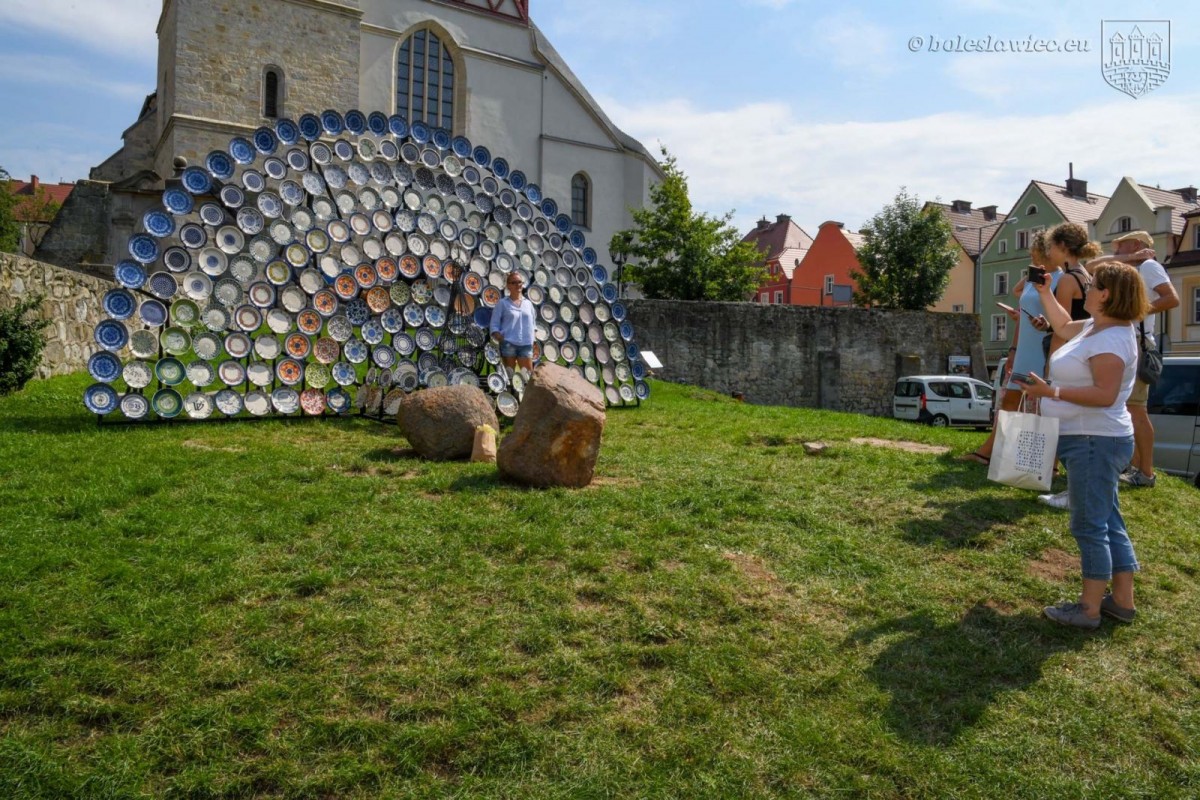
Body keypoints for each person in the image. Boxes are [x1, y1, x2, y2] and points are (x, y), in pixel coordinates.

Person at [1020, 262, 1148, 629]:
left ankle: (1089, 610)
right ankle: (1121, 601)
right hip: (1096, 439)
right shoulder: (1098, 327)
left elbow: (1105, 395)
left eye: (1093, 285)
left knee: (1089, 526)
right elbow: (1061, 326)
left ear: (1106, 295)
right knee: (1108, 520)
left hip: (1095, 440)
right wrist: (1045, 291)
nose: (1086, 289)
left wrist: (1051, 391)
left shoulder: (1110, 339)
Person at [960, 231, 1063, 465]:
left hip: (1044, 348)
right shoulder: (1032, 277)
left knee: (1042, 407)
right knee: (1009, 401)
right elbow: (1023, 310)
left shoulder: (1062, 279)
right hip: (1025, 346)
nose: (1031, 257)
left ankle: (1048, 462)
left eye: (1034, 252)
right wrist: (1013, 350)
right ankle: (992, 452)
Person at [1030, 223, 1101, 509]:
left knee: (1065, 423)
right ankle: (1073, 488)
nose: (1048, 252)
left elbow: (1063, 329)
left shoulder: (1068, 279)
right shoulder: (1087, 276)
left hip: (1070, 357)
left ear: (1061, 247)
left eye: (1050, 247)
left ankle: (1071, 490)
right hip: (1087, 356)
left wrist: (1051, 368)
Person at [1107, 232, 1178, 487]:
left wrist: (1135, 311)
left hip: (1139, 345)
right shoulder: (1136, 269)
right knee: (1130, 408)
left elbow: (1172, 298)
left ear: (1137, 245)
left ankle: (1146, 472)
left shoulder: (1148, 266)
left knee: (1136, 408)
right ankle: (1137, 467)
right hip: (1133, 343)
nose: (1117, 253)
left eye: (1121, 247)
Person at [489, 272, 536, 373]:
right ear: (508, 285)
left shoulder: (528, 304)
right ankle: (510, 389)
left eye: (520, 282)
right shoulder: (502, 303)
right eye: (514, 282)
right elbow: (494, 323)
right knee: (510, 375)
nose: (518, 285)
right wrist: (499, 336)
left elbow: (533, 324)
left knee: (527, 376)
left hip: (526, 344)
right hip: (508, 344)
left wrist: (533, 341)